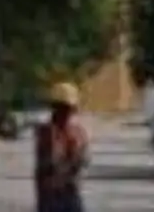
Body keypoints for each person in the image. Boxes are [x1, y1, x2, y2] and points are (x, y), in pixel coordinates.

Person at [34, 82, 89, 212]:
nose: (67, 113)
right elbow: (50, 162)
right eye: (63, 108)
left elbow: (83, 160)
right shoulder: (47, 132)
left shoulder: (76, 132)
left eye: (69, 109)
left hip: (69, 191)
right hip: (52, 195)